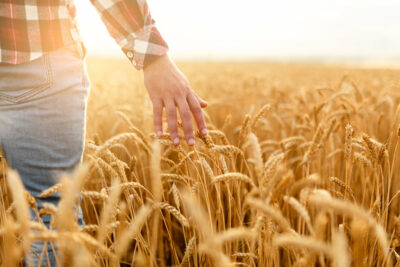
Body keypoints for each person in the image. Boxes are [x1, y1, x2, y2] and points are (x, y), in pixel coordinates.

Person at [0, 0, 207, 265]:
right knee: (53, 222)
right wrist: (152, 55)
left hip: (39, 63)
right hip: (38, 59)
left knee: (53, 221)